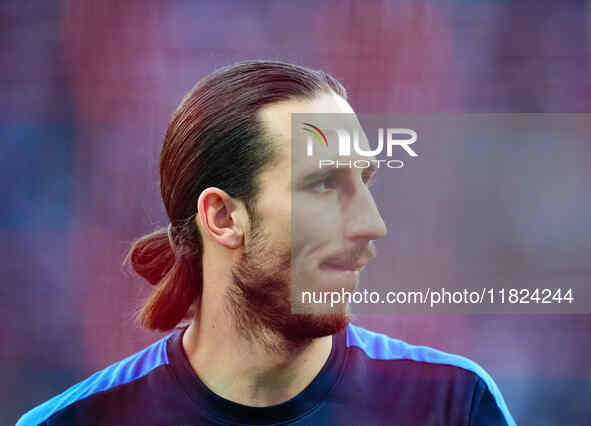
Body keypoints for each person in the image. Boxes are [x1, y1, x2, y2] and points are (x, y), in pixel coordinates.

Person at [17, 60, 516, 426]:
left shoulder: (454, 404)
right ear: (222, 216)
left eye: (366, 182)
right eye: (323, 185)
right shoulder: (75, 421)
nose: (372, 223)